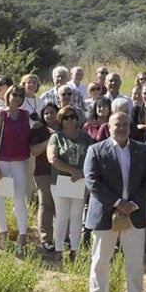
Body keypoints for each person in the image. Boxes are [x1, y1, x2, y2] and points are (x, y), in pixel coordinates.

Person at [84, 112, 146, 292]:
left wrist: (132, 204)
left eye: (125, 124)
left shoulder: (142, 150)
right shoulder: (95, 150)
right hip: (105, 215)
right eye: (117, 124)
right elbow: (92, 181)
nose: (122, 127)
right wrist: (117, 203)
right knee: (100, 263)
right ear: (109, 126)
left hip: (134, 214)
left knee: (135, 263)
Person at [47, 106, 93, 260]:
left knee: (77, 215)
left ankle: (75, 249)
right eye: (66, 117)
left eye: (72, 116)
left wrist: (83, 175)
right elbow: (52, 158)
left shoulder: (85, 138)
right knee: (61, 215)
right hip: (61, 180)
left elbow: (93, 159)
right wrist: (72, 170)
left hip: (81, 181)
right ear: (60, 120)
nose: (70, 120)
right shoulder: (56, 137)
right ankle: (59, 248)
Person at [0, 85, 32, 251]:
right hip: (2, 162)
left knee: (20, 198)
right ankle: (3, 235)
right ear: (8, 95)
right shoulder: (1, 115)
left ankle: (22, 237)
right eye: (15, 94)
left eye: (21, 95)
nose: (18, 97)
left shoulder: (25, 115)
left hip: (20, 162)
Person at [30, 103, 60, 251]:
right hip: (43, 172)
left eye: (52, 112)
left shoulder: (66, 128)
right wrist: (51, 139)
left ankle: (63, 238)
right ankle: (46, 239)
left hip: (63, 173)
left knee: (61, 207)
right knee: (46, 204)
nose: (49, 115)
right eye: (46, 113)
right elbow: (34, 151)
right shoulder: (38, 130)